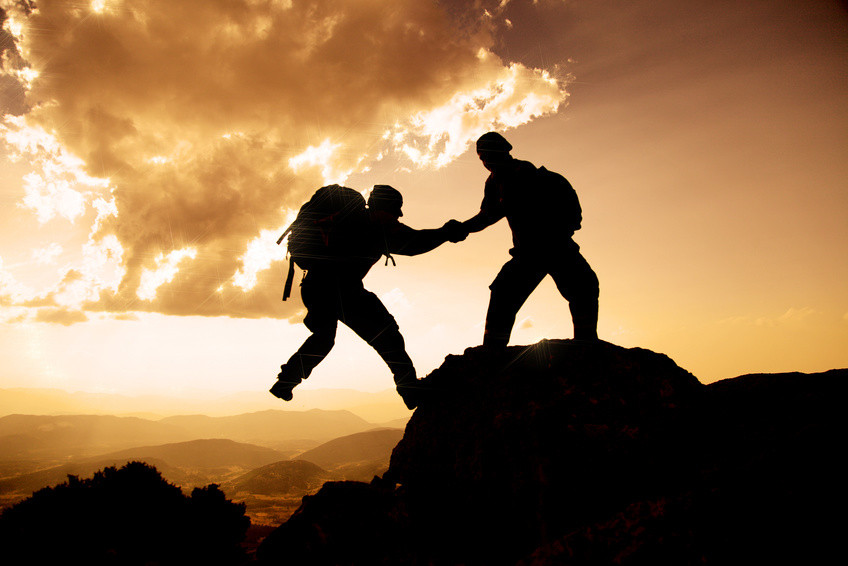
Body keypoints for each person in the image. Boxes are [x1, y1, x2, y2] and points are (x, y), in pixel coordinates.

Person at [270, 185, 465, 409]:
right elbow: (413, 243)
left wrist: (443, 233)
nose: (397, 216)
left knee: (323, 337)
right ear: (384, 208)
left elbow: (410, 240)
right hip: (343, 291)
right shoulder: (372, 228)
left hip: (314, 287)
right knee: (388, 335)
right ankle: (410, 389)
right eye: (395, 210)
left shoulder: (352, 221)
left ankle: (285, 382)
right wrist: (445, 233)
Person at [459, 132, 600, 347]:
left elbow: (574, 213)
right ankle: (492, 351)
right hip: (528, 253)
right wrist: (461, 228)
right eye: (482, 157)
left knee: (584, 287)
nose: (487, 161)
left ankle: (586, 343)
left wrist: (561, 230)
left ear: (505, 149)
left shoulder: (541, 178)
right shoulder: (495, 183)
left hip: (557, 247)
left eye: (489, 154)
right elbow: (487, 215)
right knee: (503, 293)